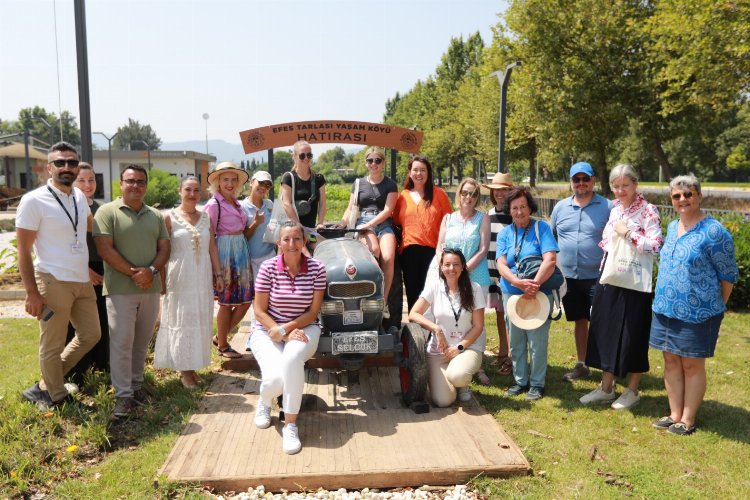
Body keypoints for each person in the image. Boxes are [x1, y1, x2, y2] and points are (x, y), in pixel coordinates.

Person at [649, 174, 738, 435]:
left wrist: (716, 306)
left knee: (691, 364)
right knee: (670, 361)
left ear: (699, 196)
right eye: (676, 196)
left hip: (699, 313)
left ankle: (688, 419)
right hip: (665, 308)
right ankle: (674, 413)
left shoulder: (714, 231)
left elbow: (728, 275)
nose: (682, 199)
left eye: (688, 194)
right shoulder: (673, 226)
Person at [17, 142, 101, 410]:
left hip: (81, 280)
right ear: (49, 167)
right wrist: (31, 292)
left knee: (91, 334)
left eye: (72, 163)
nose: (67, 167)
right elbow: (23, 250)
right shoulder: (33, 200)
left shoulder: (78, 197)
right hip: (52, 280)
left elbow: (90, 228)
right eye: (60, 162)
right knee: (52, 343)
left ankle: (44, 385)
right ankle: (58, 398)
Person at [579, 164, 663, 410]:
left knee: (632, 333)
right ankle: (606, 387)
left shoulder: (649, 211)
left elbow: (655, 245)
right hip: (610, 277)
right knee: (605, 330)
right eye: (616, 186)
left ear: (635, 184)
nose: (620, 190)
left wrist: (629, 234)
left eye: (625, 185)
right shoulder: (615, 209)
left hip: (635, 283)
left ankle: (633, 389)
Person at [94, 164, 170, 418]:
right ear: (121, 184)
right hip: (120, 289)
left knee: (142, 341)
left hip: (151, 287)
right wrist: (136, 274)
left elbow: (164, 249)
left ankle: (137, 387)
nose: (135, 185)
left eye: (140, 181)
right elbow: (105, 249)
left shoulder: (155, 216)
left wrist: (151, 271)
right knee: (122, 342)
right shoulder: (107, 212)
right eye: (130, 181)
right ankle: (122, 396)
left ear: (145, 186)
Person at [249, 221, 326, 454]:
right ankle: (264, 401)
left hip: (305, 328)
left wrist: (288, 330)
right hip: (267, 329)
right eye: (286, 239)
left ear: (304, 242)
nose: (291, 244)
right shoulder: (268, 268)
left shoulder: (317, 268)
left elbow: (313, 312)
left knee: (292, 358)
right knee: (274, 381)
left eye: (296, 239)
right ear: (278, 242)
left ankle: (290, 424)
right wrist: (280, 331)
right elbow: (260, 311)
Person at [154, 177, 224, 389]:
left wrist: (218, 274)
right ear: (179, 191)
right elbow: (163, 251)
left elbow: (212, 247)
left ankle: (192, 368)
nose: (192, 194)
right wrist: (162, 280)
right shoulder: (169, 218)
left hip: (201, 278)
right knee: (182, 321)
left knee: (199, 320)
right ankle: (184, 371)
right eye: (188, 190)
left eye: (196, 190)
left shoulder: (205, 218)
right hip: (179, 277)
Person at [496, 188, 560, 401]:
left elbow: (550, 259)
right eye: (515, 208)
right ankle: (520, 380)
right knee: (516, 340)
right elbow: (501, 263)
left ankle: (537, 383)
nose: (519, 211)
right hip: (512, 294)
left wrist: (534, 284)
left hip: (538, 294)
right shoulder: (506, 233)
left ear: (529, 207)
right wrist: (516, 282)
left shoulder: (541, 228)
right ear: (510, 211)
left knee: (537, 340)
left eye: (523, 206)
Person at [550, 162, 612, 382]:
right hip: (569, 278)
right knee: (579, 320)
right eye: (576, 179)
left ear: (593, 180)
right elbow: (552, 238)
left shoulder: (607, 207)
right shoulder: (560, 208)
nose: (581, 183)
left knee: (602, 322)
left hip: (599, 276)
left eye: (585, 178)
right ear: (571, 182)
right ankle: (582, 364)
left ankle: (608, 368)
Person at [408, 248, 486, 407]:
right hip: (439, 351)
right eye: (447, 264)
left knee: (458, 375)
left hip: (467, 347)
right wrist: (436, 329)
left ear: (463, 266)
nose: (451, 269)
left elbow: (478, 326)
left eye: (456, 264)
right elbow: (413, 313)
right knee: (443, 401)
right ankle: (453, 381)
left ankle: (461, 382)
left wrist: (459, 347)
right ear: (441, 267)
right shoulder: (435, 286)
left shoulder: (475, 288)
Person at [435, 177, 490, 384]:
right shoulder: (448, 219)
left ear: (477, 198)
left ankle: (477, 365)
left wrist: (464, 269)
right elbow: (440, 245)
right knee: (452, 317)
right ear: (459, 194)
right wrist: (446, 267)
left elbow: (483, 248)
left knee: (476, 322)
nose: (469, 197)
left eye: (473, 194)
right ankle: (452, 356)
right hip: (449, 274)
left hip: (475, 275)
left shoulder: (482, 219)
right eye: (465, 192)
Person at [338, 146, 398, 317]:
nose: (374, 164)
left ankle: (383, 301)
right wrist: (342, 224)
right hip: (363, 221)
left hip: (383, 223)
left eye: (377, 160)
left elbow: (388, 210)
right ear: (366, 163)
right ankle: (368, 296)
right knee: (373, 251)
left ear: (383, 163)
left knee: (387, 257)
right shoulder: (358, 184)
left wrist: (371, 224)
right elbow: (350, 208)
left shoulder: (390, 184)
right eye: (370, 160)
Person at [65, 162, 110, 383]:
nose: (87, 184)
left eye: (91, 179)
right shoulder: (68, 207)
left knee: (101, 321)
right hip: (79, 270)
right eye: (81, 180)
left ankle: (101, 366)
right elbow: (65, 243)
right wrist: (87, 270)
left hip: (102, 271)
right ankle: (76, 374)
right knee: (78, 327)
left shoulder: (101, 208)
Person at [203, 162, 253, 360]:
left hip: (240, 251)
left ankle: (219, 337)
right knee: (226, 303)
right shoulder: (213, 204)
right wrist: (216, 270)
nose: (230, 183)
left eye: (233, 180)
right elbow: (209, 237)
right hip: (224, 254)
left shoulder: (236, 202)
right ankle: (223, 345)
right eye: (225, 179)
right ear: (217, 182)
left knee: (245, 301)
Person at [392, 156, 452, 312]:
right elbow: (395, 222)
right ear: (410, 173)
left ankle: (433, 331)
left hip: (434, 252)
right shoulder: (402, 196)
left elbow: (449, 223)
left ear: (428, 173)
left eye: (423, 170)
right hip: (409, 252)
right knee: (413, 294)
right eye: (415, 170)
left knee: (433, 293)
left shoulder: (439, 194)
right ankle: (416, 331)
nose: (419, 173)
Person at [483, 172, 514, 377]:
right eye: (497, 190)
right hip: (490, 269)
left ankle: (513, 357)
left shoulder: (515, 214)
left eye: (504, 189)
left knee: (512, 314)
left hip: (509, 270)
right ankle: (503, 352)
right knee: (500, 313)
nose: (501, 193)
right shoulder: (488, 214)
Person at [281, 140, 327, 255]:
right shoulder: (288, 177)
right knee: (305, 255)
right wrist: (299, 228)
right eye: (302, 155)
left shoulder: (318, 178)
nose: (306, 158)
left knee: (326, 248)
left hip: (310, 230)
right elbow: (286, 204)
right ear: (294, 156)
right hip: (292, 229)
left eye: (309, 155)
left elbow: (322, 203)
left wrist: (320, 222)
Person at [241, 171, 276, 279]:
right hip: (251, 261)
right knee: (257, 295)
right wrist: (256, 223)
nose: (263, 187)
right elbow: (241, 238)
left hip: (270, 256)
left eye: (267, 185)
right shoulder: (241, 207)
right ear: (251, 182)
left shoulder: (269, 204)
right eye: (260, 183)